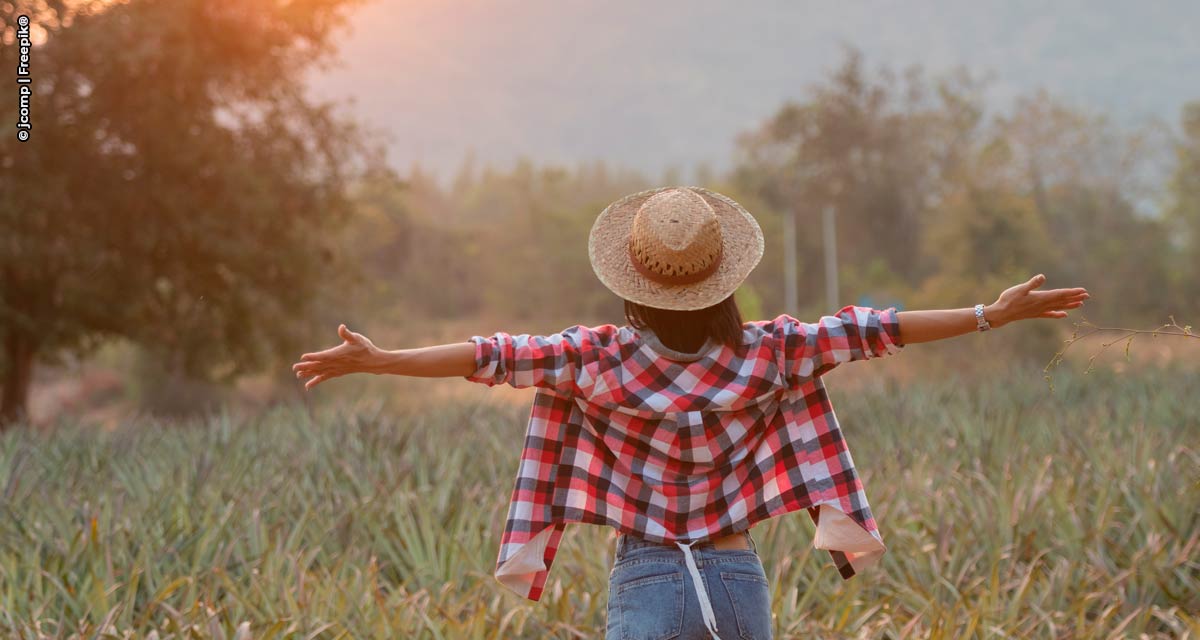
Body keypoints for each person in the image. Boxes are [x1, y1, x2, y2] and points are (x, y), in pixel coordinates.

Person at [292, 186, 1088, 639]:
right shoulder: (770, 352)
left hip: (645, 574)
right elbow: (877, 329)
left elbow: (489, 354)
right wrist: (991, 313)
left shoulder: (595, 357)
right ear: (724, 279)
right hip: (736, 576)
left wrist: (382, 357)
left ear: (631, 281)